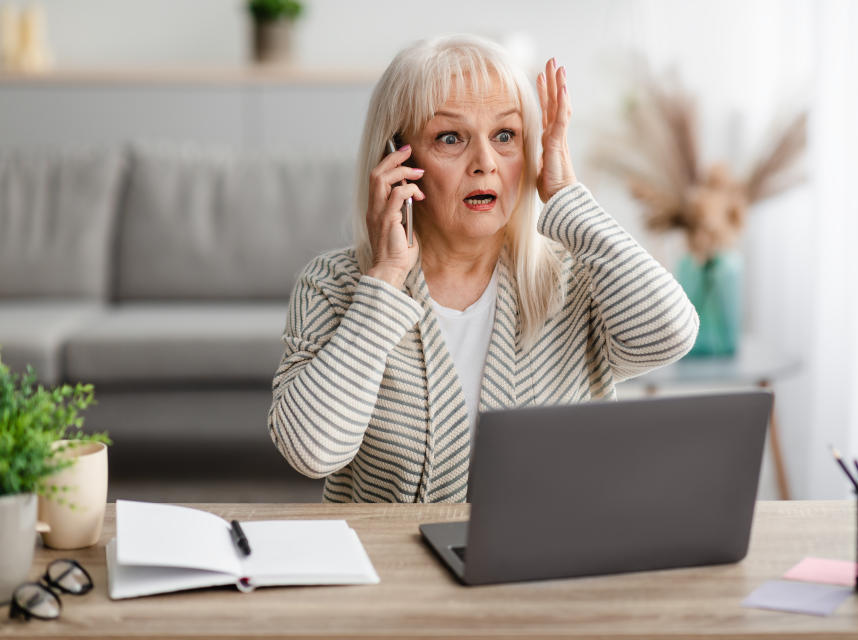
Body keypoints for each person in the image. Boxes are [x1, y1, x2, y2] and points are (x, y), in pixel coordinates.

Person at [268, 34, 699, 503]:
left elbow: (670, 335)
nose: (485, 163)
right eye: (450, 138)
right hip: (396, 572)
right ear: (397, 160)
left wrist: (567, 196)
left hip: (547, 566)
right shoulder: (334, 285)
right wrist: (386, 278)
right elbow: (311, 451)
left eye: (505, 136)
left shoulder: (575, 277)